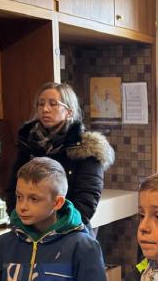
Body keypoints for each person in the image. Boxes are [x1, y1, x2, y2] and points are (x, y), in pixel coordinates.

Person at [7, 82, 115, 225]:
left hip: (70, 229)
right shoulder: (28, 143)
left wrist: (57, 229)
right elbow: (13, 191)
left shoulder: (86, 148)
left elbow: (86, 201)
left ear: (69, 111)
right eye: (41, 104)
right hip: (27, 228)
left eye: (53, 104)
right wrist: (21, 224)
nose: (45, 109)